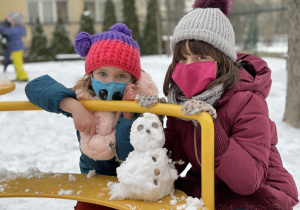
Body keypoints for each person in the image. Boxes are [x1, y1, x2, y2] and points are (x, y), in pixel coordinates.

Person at [161, 0, 299, 209]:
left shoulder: (247, 101)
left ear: (222, 60)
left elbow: (247, 181)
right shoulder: (180, 101)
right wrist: (151, 128)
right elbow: (174, 163)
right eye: (182, 58)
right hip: (208, 184)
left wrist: (212, 130)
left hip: (261, 191)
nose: (189, 66)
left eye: (201, 56)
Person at [25, 23, 158, 210]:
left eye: (121, 76)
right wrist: (73, 107)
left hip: (131, 184)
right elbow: (35, 86)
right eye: (102, 73)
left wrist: (128, 112)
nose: (110, 82)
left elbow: (126, 155)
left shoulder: (143, 101)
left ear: (132, 79)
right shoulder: (85, 97)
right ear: (91, 74)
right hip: (91, 181)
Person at [0, 12, 28, 81]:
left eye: (12, 21)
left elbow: (5, 31)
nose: (11, 22)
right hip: (17, 48)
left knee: (18, 63)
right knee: (16, 63)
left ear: (15, 22)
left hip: (16, 48)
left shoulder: (16, 29)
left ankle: (23, 76)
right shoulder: (20, 28)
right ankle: (19, 76)